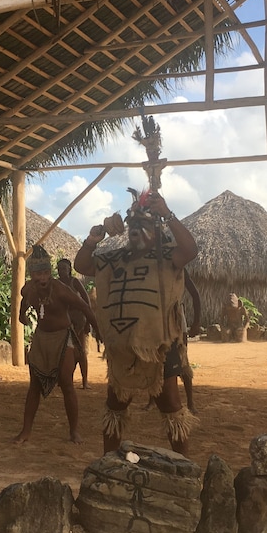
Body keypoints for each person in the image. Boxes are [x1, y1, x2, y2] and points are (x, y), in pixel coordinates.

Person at [75, 190, 199, 455]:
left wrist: (168, 214)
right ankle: (108, 461)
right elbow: (82, 265)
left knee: (170, 405)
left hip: (160, 347)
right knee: (115, 406)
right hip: (124, 347)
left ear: (155, 230)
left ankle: (183, 466)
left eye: (142, 225)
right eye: (132, 225)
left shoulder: (167, 256)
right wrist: (92, 240)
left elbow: (190, 250)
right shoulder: (114, 259)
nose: (134, 230)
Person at [14, 245, 101, 445]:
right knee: (34, 386)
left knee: (67, 384)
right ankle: (26, 431)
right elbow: (23, 301)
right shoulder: (28, 289)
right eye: (37, 274)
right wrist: (21, 315)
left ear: (50, 273)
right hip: (41, 338)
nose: (42, 279)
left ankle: (74, 431)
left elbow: (85, 307)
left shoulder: (62, 290)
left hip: (63, 338)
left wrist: (98, 331)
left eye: (45, 273)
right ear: (31, 274)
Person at [144, 268, 201, 414]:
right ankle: (152, 399)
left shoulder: (178, 268)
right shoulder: (148, 265)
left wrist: (196, 322)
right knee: (153, 359)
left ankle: (190, 402)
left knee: (182, 359)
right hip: (152, 317)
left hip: (174, 317)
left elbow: (195, 295)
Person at [57, 258, 92, 389]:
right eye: (59, 269)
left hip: (78, 322)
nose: (62, 272)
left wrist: (88, 321)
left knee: (81, 352)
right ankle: (65, 379)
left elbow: (86, 300)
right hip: (63, 322)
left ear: (69, 270)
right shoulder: (56, 284)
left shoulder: (74, 282)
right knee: (64, 351)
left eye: (64, 269)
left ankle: (85, 381)